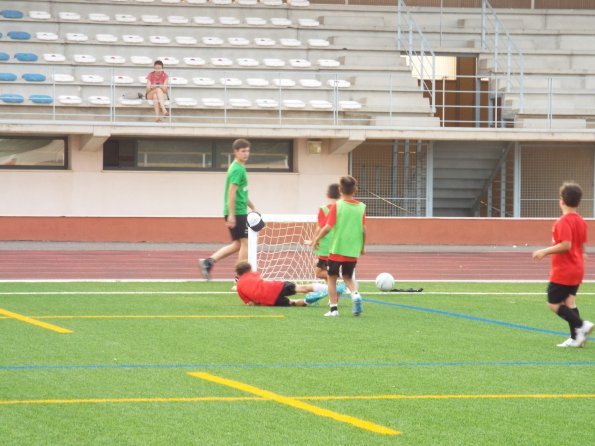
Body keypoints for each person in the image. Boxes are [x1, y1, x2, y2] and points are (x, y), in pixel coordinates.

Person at [532, 182, 593, 348]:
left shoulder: (563, 221)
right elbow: (580, 244)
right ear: (578, 202)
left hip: (564, 270)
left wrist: (544, 251)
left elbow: (566, 244)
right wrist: (582, 254)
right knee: (570, 303)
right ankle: (576, 338)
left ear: (561, 200)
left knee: (553, 303)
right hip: (577, 268)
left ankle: (582, 325)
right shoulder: (581, 221)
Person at [199, 139, 256, 280]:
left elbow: (241, 192)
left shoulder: (239, 167)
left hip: (239, 210)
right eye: (243, 151)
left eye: (247, 151)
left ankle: (208, 262)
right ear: (235, 152)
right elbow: (232, 191)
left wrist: (252, 206)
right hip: (237, 211)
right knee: (246, 242)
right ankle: (240, 276)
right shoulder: (237, 169)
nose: (246, 154)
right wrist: (231, 214)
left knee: (238, 244)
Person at [311, 176, 366, 317]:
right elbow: (363, 230)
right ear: (355, 190)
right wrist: (362, 246)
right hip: (352, 249)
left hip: (337, 249)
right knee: (348, 277)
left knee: (332, 278)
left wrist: (317, 238)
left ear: (340, 190)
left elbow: (328, 227)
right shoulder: (361, 207)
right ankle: (356, 295)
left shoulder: (337, 206)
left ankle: (333, 310)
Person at [235, 261, 334, 307]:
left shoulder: (239, 287)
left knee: (293, 302)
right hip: (275, 287)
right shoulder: (254, 274)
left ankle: (309, 300)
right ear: (249, 269)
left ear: (239, 273)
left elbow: (251, 303)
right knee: (302, 288)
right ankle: (332, 288)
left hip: (270, 301)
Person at [312, 183, 340, 282]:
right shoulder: (341, 209)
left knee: (318, 272)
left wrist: (315, 240)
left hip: (325, 247)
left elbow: (319, 227)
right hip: (337, 245)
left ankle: (336, 276)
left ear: (327, 194)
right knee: (324, 272)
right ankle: (333, 295)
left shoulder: (324, 209)